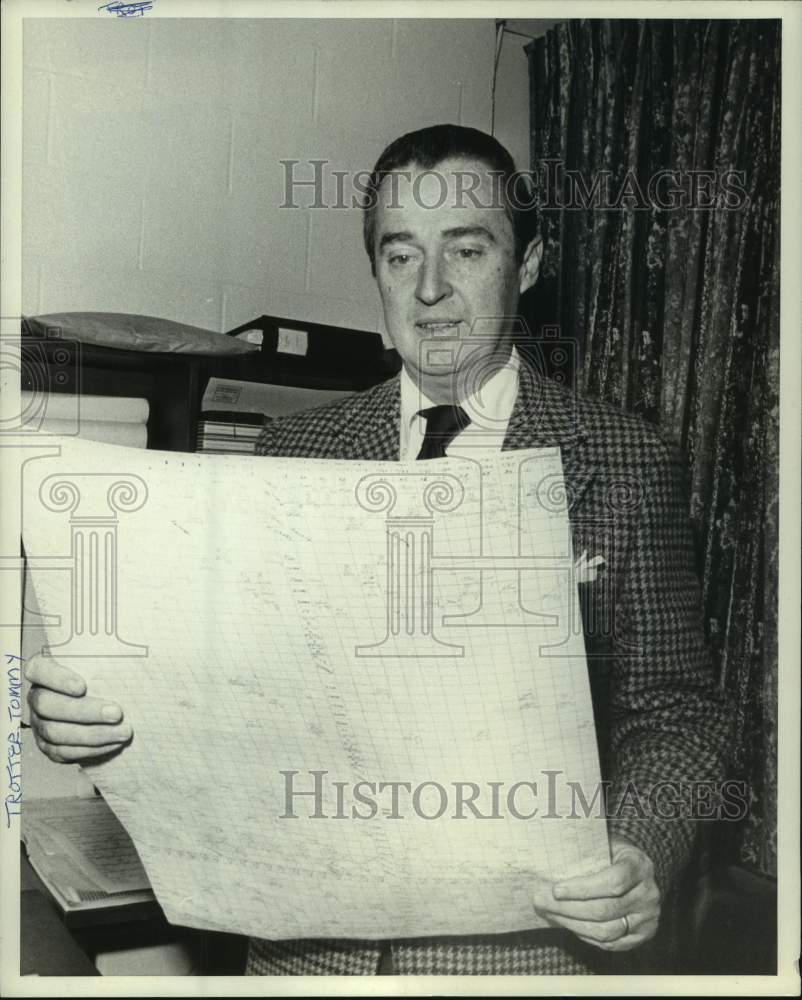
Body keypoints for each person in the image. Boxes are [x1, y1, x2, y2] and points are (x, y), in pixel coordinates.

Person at [26, 124, 732, 976]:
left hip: (526, 960)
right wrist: (87, 715)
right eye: (401, 257)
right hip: (306, 961)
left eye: (466, 250)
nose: (431, 290)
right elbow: (213, 693)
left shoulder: (624, 461)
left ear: (531, 263)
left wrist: (640, 850)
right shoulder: (291, 453)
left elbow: (682, 716)